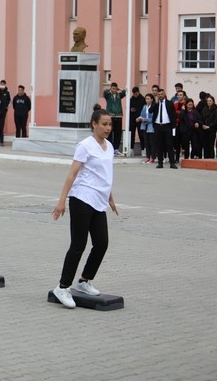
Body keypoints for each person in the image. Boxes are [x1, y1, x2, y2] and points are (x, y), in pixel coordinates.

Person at [51, 108, 118, 308]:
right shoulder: (85, 146)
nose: (108, 128)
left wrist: (111, 198)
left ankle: (84, 281)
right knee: (78, 245)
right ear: (94, 124)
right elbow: (72, 174)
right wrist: (62, 200)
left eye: (110, 124)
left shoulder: (109, 146)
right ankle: (62, 287)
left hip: (99, 200)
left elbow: (106, 175)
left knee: (102, 243)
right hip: (81, 198)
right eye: (104, 124)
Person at [149, 88, 177, 168]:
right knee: (159, 145)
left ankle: (172, 163)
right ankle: (160, 163)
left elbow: (173, 115)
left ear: (164, 94)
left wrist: (173, 127)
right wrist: (155, 103)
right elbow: (150, 111)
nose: (160, 96)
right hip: (158, 126)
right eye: (159, 94)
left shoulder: (169, 103)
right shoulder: (156, 104)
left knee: (169, 144)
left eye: (161, 94)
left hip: (167, 126)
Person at [103, 82, 126, 156]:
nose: (114, 90)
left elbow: (125, 92)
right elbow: (104, 92)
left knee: (118, 133)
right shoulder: (108, 96)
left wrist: (120, 89)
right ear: (111, 88)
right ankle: (109, 148)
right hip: (111, 116)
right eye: (113, 88)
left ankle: (116, 149)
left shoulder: (119, 95)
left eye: (115, 88)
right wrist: (109, 90)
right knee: (109, 132)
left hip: (118, 116)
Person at [138, 93, 156, 164]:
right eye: (146, 99)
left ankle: (153, 157)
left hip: (151, 126)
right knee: (147, 142)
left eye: (148, 99)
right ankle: (148, 157)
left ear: (152, 99)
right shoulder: (144, 107)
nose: (147, 100)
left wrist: (146, 120)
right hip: (145, 126)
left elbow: (153, 118)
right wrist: (139, 118)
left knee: (152, 143)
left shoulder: (154, 107)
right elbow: (141, 115)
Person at [128, 86, 145, 153]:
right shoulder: (131, 99)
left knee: (141, 134)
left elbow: (143, 110)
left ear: (138, 92)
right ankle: (131, 148)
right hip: (132, 119)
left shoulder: (143, 99)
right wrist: (131, 110)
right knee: (131, 134)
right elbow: (129, 108)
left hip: (140, 119)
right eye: (134, 94)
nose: (135, 95)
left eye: (136, 94)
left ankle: (143, 148)